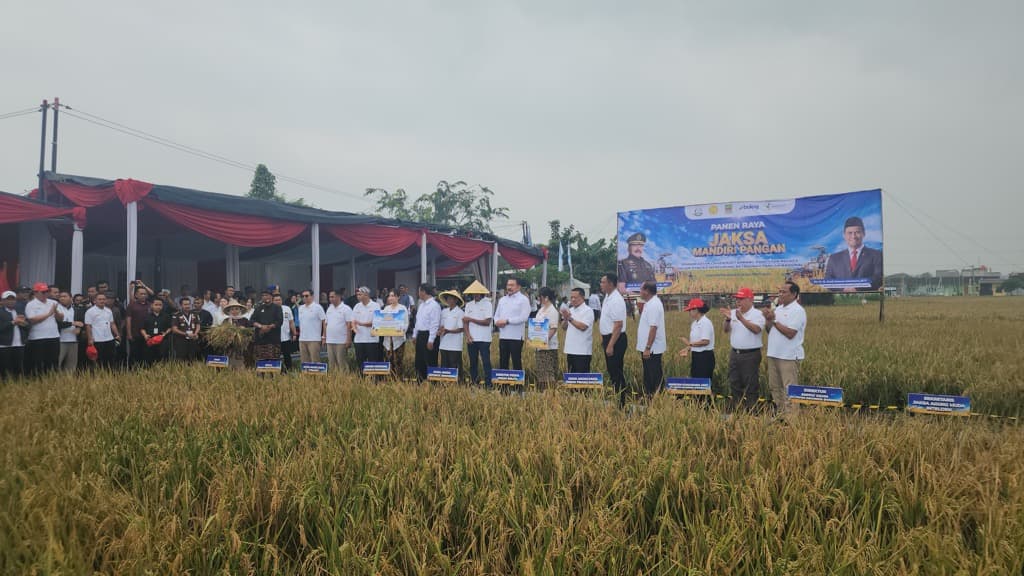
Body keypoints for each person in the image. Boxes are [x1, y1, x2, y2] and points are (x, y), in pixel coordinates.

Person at [764, 281, 807, 419]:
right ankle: (781, 415)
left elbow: (790, 333)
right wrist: (768, 320)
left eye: (784, 292)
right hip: (773, 354)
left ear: (794, 294)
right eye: (780, 291)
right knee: (775, 387)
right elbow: (770, 330)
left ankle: (792, 419)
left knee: (789, 389)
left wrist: (775, 321)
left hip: (788, 356)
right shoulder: (778, 309)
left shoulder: (798, 311)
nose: (780, 294)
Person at [720, 287, 765, 413]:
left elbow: (756, 329)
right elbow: (725, 330)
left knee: (751, 385)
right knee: (734, 383)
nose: (738, 302)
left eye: (741, 299)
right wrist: (728, 319)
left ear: (750, 299)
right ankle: (738, 411)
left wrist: (742, 319)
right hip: (735, 353)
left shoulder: (758, 314)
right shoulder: (733, 312)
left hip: (750, 355)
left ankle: (752, 412)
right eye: (737, 299)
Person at [824, 216, 884, 291]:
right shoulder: (834, 258)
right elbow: (828, 280)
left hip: (868, 300)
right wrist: (843, 289)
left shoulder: (876, 255)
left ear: (864, 233)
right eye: (850, 233)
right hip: (839, 300)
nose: (853, 236)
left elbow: (878, 278)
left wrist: (857, 288)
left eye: (857, 232)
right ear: (844, 235)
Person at [599, 273, 628, 406]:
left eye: (603, 282)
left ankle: (622, 402)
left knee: (616, 371)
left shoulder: (616, 299)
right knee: (612, 370)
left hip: (616, 339)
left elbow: (618, 325)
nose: (601, 284)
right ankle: (618, 398)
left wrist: (610, 345)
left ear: (610, 284)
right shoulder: (607, 297)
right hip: (608, 338)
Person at [636, 281, 666, 399]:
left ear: (647, 291)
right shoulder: (649, 303)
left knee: (654, 374)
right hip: (647, 347)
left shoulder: (654, 305)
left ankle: (657, 398)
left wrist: (648, 347)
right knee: (648, 374)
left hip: (652, 348)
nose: (640, 292)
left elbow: (653, 328)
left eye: (641, 290)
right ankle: (649, 396)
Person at [25, 282, 63, 375]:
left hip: (53, 336)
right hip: (38, 338)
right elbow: (32, 320)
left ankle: (50, 381)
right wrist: (48, 314)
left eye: (47, 291)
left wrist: (56, 312)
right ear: (35, 293)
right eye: (43, 292)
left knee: (53, 361)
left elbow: (61, 318)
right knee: (38, 362)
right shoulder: (31, 304)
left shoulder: (53, 302)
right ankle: (38, 381)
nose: (45, 293)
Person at [494, 277, 530, 371]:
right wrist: (497, 322)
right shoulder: (502, 300)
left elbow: (524, 317)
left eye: (512, 285)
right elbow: (496, 315)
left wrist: (507, 321)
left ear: (518, 287)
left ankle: (517, 386)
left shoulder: (523, 299)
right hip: (503, 336)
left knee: (516, 362)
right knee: (503, 361)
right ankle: (503, 385)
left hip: (516, 337)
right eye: (508, 285)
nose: (509, 287)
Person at [462, 281, 493, 388]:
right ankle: (474, 382)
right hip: (471, 338)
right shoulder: (469, 305)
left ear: (481, 293)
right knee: (473, 362)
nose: (476, 295)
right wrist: (467, 335)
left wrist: (471, 319)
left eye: (478, 293)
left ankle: (489, 384)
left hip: (484, 339)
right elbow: (465, 322)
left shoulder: (488, 304)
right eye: (474, 293)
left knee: (486, 362)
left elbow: (487, 322)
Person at [678, 298, 715, 384]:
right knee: (696, 381)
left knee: (703, 383)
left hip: (705, 357)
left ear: (696, 310)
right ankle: (697, 397)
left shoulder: (706, 323)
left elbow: (705, 341)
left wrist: (689, 343)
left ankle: (705, 398)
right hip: (696, 356)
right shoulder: (694, 324)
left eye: (690, 310)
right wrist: (687, 349)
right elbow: (695, 342)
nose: (689, 312)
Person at [561, 287, 595, 374]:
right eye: (571, 297)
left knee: (581, 379)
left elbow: (583, 327)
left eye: (575, 297)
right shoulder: (570, 310)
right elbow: (564, 327)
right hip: (570, 349)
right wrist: (565, 319)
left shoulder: (588, 310)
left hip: (582, 351)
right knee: (571, 378)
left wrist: (570, 318)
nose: (572, 299)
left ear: (583, 297)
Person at [533, 287, 561, 388]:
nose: (538, 299)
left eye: (539, 297)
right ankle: (543, 392)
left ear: (546, 297)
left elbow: (553, 329)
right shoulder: (541, 309)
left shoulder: (552, 311)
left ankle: (550, 392)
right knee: (541, 371)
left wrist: (543, 340)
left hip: (548, 346)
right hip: (539, 345)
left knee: (548, 371)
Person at [84, 292, 120, 369]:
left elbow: (112, 324)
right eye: (99, 299)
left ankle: (109, 376)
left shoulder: (108, 310)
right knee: (98, 361)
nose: (102, 301)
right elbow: (88, 326)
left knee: (110, 359)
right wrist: (90, 339)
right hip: (97, 340)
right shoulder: (90, 311)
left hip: (109, 339)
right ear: (94, 301)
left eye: (104, 299)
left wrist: (117, 334)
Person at [413, 283, 441, 382]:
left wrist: (431, 340)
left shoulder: (434, 305)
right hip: (421, 335)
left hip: (429, 335)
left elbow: (434, 324)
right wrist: (414, 335)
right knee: (419, 361)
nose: (418, 293)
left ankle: (433, 384)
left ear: (423, 292)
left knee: (430, 360)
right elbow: (418, 321)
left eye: (419, 290)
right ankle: (420, 381)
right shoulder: (421, 305)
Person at [380, 290, 409, 379]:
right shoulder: (386, 309)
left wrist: (400, 331)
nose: (391, 297)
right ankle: (389, 380)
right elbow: (382, 322)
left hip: (398, 340)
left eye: (393, 295)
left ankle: (398, 380)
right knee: (388, 360)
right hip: (388, 340)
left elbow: (406, 323)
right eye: (389, 296)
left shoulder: (402, 308)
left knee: (398, 361)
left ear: (398, 297)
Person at [350, 286, 381, 370]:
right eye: (357, 294)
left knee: (372, 362)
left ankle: (373, 381)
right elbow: (352, 320)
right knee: (360, 362)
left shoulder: (375, 306)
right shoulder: (357, 306)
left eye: (360, 294)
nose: (358, 296)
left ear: (366, 295)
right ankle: (362, 380)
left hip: (372, 339)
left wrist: (361, 324)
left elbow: (376, 322)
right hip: (359, 339)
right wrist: (354, 328)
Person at [0, 290, 29, 378]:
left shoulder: (20, 311)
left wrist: (24, 324)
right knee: (5, 368)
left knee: (18, 368)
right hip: (5, 345)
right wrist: (13, 322)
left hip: (19, 344)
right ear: (3, 301)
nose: (11, 301)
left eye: (13, 299)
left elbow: (28, 327)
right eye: (8, 299)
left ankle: (17, 387)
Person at [438, 290, 465, 381]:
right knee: (444, 365)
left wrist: (448, 331)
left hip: (455, 345)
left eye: (451, 298)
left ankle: (458, 385)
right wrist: (440, 331)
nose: (449, 300)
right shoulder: (444, 311)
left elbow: (461, 328)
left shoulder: (460, 312)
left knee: (455, 365)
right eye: (447, 298)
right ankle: (445, 385)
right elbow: (441, 325)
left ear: (456, 300)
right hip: (444, 343)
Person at [251, 288, 283, 363]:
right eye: (263, 295)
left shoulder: (277, 308)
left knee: (273, 363)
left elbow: (279, 322)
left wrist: (268, 327)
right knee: (261, 363)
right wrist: (260, 326)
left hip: (273, 341)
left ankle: (274, 375)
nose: (265, 297)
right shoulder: (258, 308)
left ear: (271, 296)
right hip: (260, 341)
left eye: (267, 295)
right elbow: (251, 321)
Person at [325, 289, 353, 372]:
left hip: (341, 341)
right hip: (330, 340)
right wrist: (324, 337)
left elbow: (349, 325)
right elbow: (326, 324)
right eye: (329, 297)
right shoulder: (329, 308)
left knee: (342, 363)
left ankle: (344, 382)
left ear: (339, 297)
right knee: (332, 363)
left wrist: (348, 339)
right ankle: (335, 382)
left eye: (332, 297)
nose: (330, 299)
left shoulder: (346, 309)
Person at [297, 290, 326, 364]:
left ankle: (317, 376)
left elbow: (324, 322)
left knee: (315, 361)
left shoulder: (318, 307)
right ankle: (306, 376)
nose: (304, 297)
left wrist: (324, 337)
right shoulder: (300, 308)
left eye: (306, 296)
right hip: (302, 339)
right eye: (303, 296)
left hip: (314, 339)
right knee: (304, 362)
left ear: (312, 296)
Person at [126, 285, 152, 368]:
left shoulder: (150, 305)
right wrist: (129, 333)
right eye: (141, 294)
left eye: (145, 294)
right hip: (135, 334)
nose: (143, 295)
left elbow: (153, 293)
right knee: (134, 354)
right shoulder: (132, 305)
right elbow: (128, 320)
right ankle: (132, 371)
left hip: (147, 335)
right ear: (136, 295)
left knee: (146, 354)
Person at [168, 297, 201, 362]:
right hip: (181, 340)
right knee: (181, 359)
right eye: (185, 304)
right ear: (181, 305)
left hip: (192, 339)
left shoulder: (195, 314)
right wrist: (186, 334)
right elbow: (174, 329)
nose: (187, 306)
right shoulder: (176, 315)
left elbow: (198, 325)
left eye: (189, 304)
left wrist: (196, 333)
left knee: (192, 358)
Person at [56, 291, 82, 372]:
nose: (62, 298)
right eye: (60, 296)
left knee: (71, 365)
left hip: (73, 341)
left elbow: (81, 321)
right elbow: (57, 324)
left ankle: (68, 382)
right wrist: (72, 323)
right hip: (60, 340)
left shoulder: (76, 309)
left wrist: (79, 328)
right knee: (57, 363)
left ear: (71, 298)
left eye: (65, 296)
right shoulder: (56, 309)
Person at [141, 299, 172, 364]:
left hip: (163, 340)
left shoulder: (166, 316)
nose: (158, 307)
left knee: (162, 359)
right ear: (152, 305)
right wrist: (145, 335)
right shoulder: (147, 316)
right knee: (149, 359)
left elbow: (170, 328)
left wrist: (165, 333)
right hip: (150, 340)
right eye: (156, 305)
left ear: (162, 306)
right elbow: (142, 328)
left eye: (160, 305)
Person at [274, 294, 298, 372]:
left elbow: (291, 322)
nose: (278, 301)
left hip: (286, 337)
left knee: (287, 356)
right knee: (275, 356)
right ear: (273, 301)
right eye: (276, 300)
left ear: (282, 300)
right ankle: (277, 372)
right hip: (274, 338)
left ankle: (289, 371)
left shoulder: (287, 309)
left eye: (279, 300)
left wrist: (294, 333)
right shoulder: (270, 310)